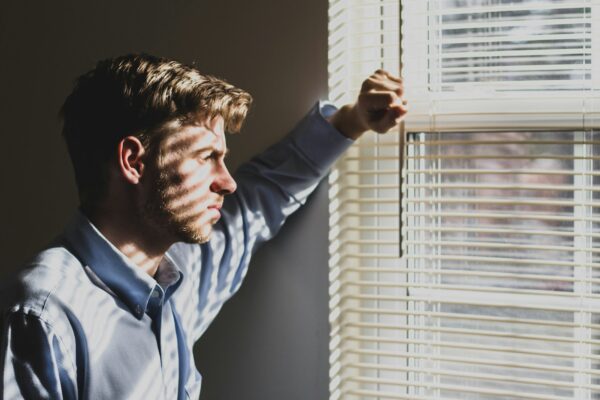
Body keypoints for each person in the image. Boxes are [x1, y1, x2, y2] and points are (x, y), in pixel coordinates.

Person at [0, 53, 406, 399]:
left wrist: (352, 120)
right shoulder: (43, 316)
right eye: (206, 157)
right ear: (134, 161)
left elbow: (261, 197)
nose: (227, 181)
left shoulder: (180, 274)